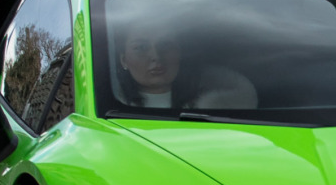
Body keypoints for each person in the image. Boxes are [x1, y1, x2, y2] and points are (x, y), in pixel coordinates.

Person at [109, 11, 257, 113]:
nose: (155, 56)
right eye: (141, 47)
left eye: (165, 45)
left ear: (179, 53)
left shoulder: (225, 108)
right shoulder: (105, 112)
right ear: (124, 60)